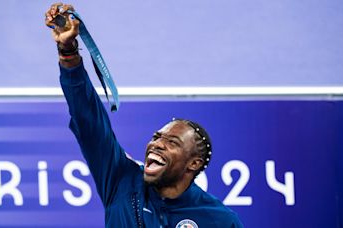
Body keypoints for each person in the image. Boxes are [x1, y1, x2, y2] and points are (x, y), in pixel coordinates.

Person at [45, 3, 243, 227]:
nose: (157, 144)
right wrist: (68, 53)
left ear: (193, 164)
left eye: (172, 142)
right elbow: (89, 121)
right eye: (157, 137)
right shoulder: (122, 179)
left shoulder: (221, 220)